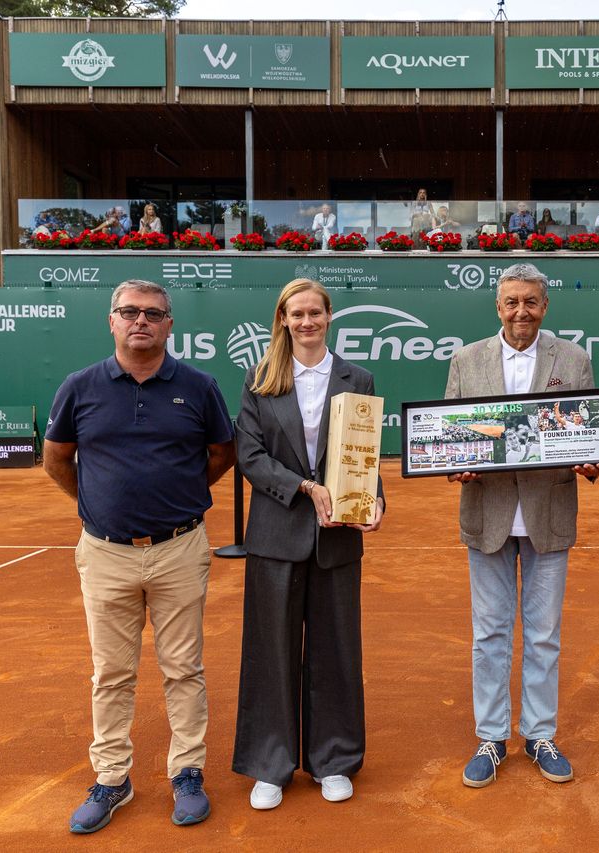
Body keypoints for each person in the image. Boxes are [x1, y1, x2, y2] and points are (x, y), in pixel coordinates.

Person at [43, 280, 236, 834]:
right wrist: (98, 505)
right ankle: (111, 778)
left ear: (169, 324)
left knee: (184, 668)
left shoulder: (198, 387)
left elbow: (222, 452)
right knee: (111, 673)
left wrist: (181, 498)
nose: (141, 321)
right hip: (105, 553)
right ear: (112, 321)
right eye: (129, 312)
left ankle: (187, 773)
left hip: (179, 549)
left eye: (153, 313)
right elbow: (58, 459)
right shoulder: (80, 387)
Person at [444, 262, 599, 789]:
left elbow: (583, 432)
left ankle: (539, 734)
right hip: (487, 514)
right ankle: (492, 737)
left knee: (543, 637)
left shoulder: (575, 358)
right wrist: (455, 460)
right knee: (489, 634)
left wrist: (589, 459)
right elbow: (449, 432)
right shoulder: (466, 360)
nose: (521, 311)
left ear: (545, 306)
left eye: (531, 302)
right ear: (498, 306)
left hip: (549, 513)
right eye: (512, 302)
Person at [232, 278, 384, 812]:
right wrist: (303, 487)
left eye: (314, 313)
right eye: (296, 314)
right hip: (277, 534)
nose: (306, 322)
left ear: (328, 316)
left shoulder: (357, 377)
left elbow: (365, 452)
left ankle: (334, 760)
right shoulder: (261, 378)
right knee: (271, 652)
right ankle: (271, 765)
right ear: (283, 319)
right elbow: (249, 455)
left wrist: (374, 502)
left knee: (336, 649)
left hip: (338, 538)